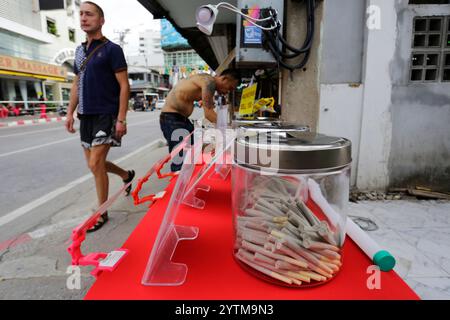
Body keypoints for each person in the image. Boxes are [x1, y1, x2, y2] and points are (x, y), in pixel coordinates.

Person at [65, 1, 134, 232]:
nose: (84, 18)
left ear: (101, 20)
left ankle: (102, 212)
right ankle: (126, 175)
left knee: (95, 164)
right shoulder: (79, 51)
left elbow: (124, 86)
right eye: (81, 14)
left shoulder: (112, 49)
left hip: (106, 114)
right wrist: (69, 113)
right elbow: (77, 84)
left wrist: (121, 118)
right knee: (96, 166)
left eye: (90, 14)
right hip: (86, 116)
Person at [160, 69, 241, 172]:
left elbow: (210, 109)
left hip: (181, 120)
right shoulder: (209, 82)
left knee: (192, 154)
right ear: (224, 79)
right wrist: (230, 130)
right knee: (180, 160)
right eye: (229, 87)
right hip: (172, 119)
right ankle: (176, 184)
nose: (228, 91)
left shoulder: (205, 81)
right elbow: (209, 114)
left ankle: (186, 181)